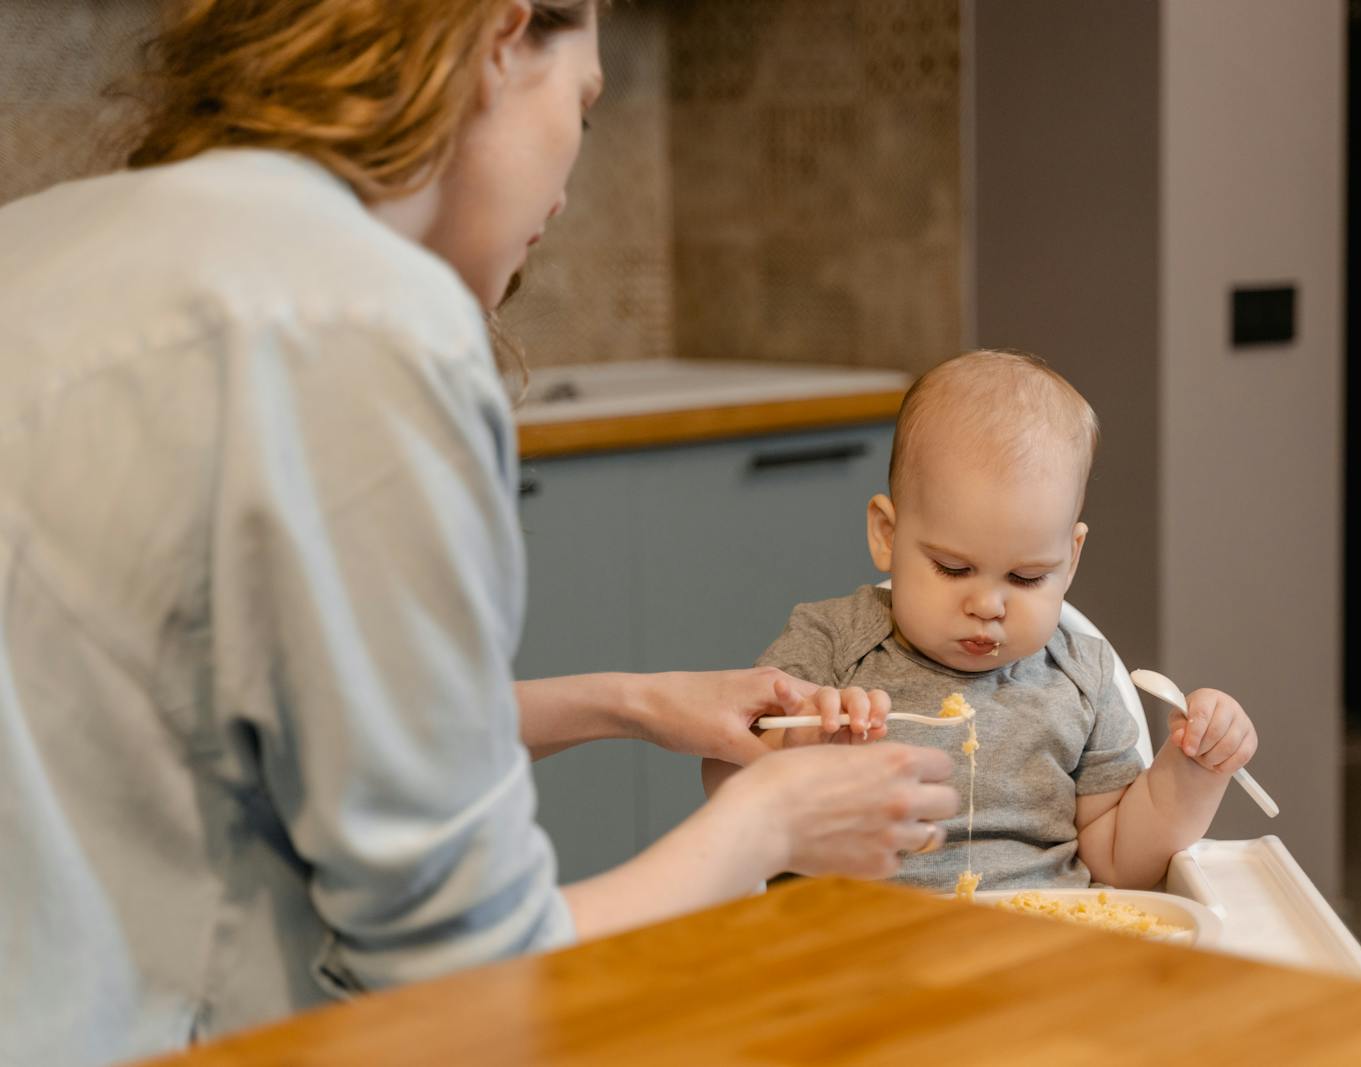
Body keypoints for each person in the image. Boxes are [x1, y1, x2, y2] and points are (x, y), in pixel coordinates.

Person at [0, 3, 959, 1063]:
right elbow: (467, 985)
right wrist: (771, 824)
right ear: (502, 35)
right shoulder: (364, 322)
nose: (566, 183)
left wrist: (629, 702)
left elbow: (207, 729)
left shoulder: (40, 239)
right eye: (583, 112)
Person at [703, 351, 1258, 894]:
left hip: (1035, 947)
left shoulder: (1082, 677)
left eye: (1026, 578)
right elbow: (723, 780)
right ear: (887, 536)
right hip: (857, 945)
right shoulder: (828, 645)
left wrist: (1193, 771)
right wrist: (796, 748)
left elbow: (1119, 864)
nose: (989, 605)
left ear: (1072, 559)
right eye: (954, 568)